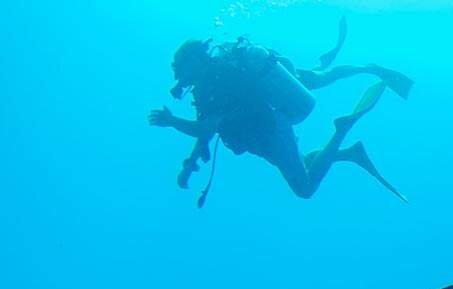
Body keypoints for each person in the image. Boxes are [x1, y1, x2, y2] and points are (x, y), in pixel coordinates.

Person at [147, 19, 410, 202]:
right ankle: (351, 148)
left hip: (270, 131)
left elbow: (206, 128)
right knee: (317, 81)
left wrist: (171, 121)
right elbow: (204, 132)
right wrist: (190, 165)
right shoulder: (206, 87)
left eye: (179, 65)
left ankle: (343, 128)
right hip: (267, 124)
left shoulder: (216, 81)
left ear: (194, 60)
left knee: (304, 187)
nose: (177, 73)